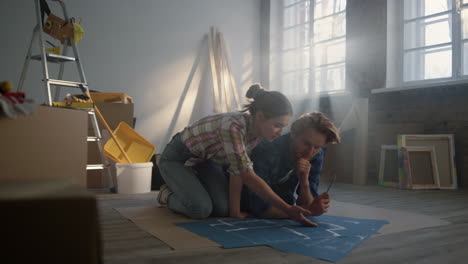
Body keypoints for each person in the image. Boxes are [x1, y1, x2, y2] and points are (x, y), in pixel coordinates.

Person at [157, 84, 323, 226]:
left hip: (207, 161)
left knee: (222, 209)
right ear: (260, 116)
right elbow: (249, 176)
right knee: (201, 209)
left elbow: (237, 171)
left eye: (283, 126)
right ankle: (166, 194)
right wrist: (288, 209)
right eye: (277, 125)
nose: (280, 133)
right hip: (179, 158)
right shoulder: (233, 128)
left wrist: (234, 212)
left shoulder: (258, 135)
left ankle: (191, 185)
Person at [241, 112, 340, 220]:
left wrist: (304, 183)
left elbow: (307, 204)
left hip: (283, 203)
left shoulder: (316, 154)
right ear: (293, 134)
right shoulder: (267, 149)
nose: (310, 152)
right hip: (242, 193)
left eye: (317, 147)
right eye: (306, 143)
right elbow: (259, 208)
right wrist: (308, 211)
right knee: (223, 207)